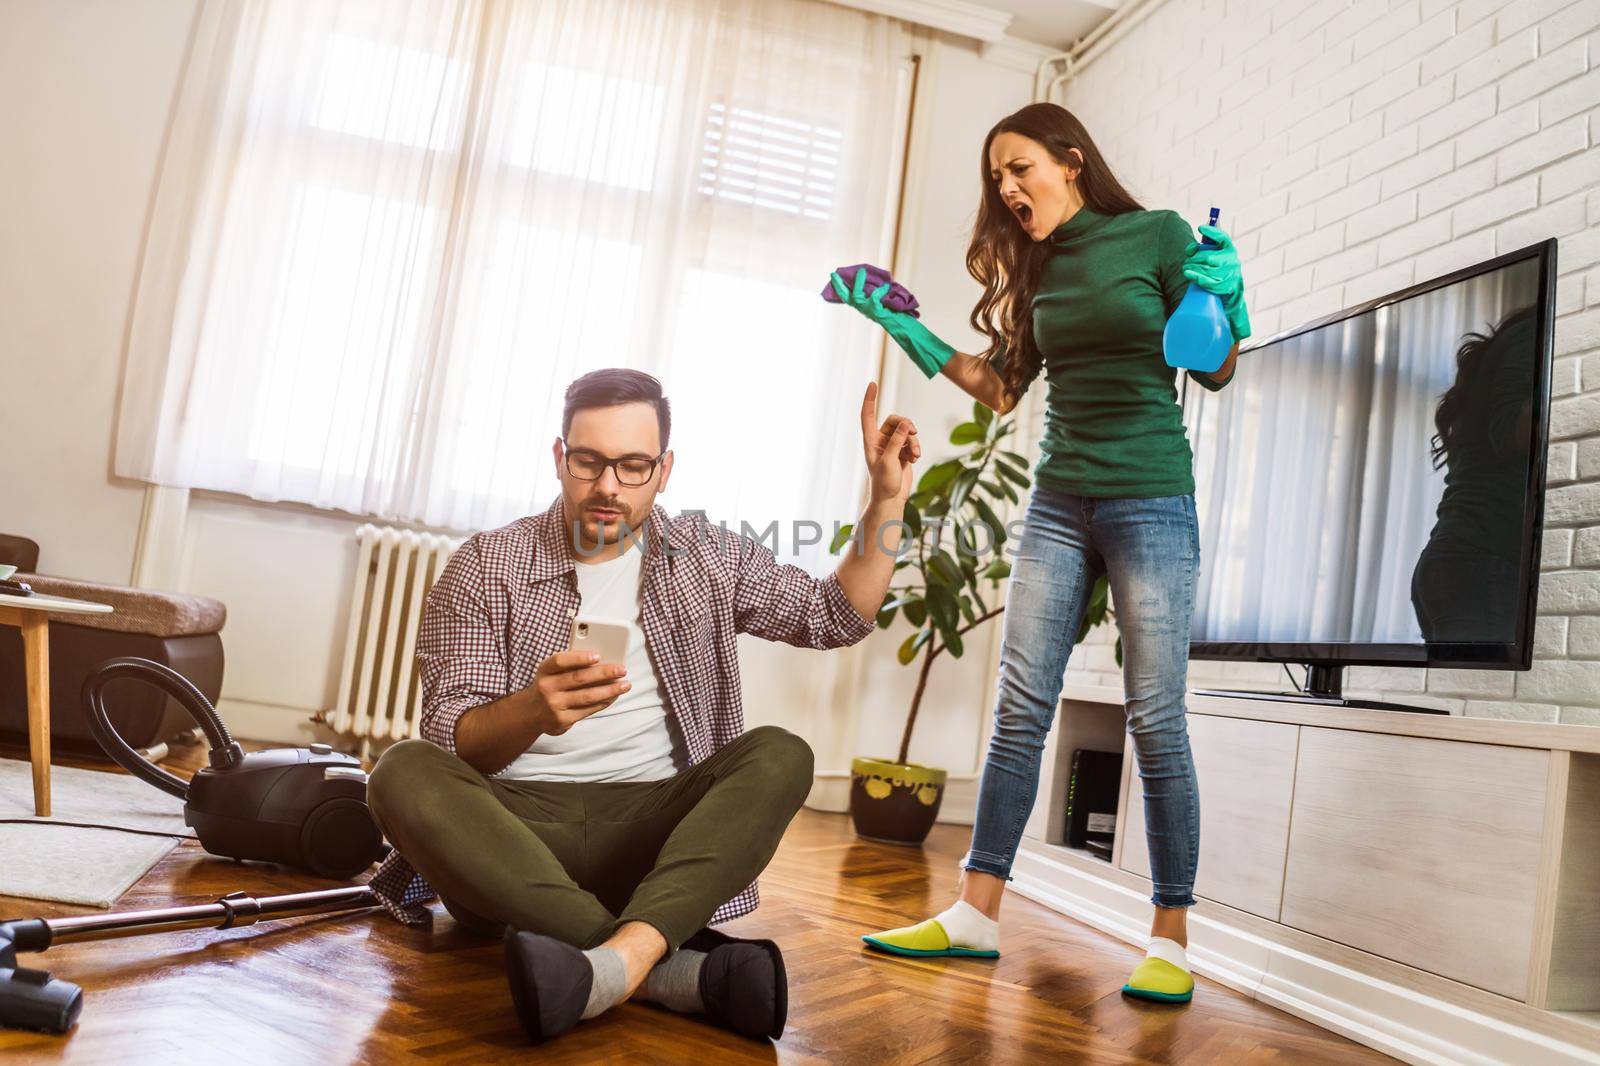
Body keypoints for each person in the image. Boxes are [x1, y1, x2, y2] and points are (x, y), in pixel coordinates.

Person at [830, 102, 1251, 1005]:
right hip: (1060, 498)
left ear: (1070, 161)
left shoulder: (1158, 236)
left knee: (1155, 715)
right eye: (995, 179)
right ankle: (976, 915)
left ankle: (1171, 938)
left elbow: (1213, 366)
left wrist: (1225, 293)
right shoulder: (1036, 263)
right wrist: (907, 325)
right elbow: (1000, 389)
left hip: (1150, 498)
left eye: (1019, 168)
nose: (1008, 188)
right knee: (1021, 705)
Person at [364, 368, 921, 1044]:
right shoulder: (485, 565)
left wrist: (886, 500)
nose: (607, 486)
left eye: (632, 466)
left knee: (782, 754)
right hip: (513, 842)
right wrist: (532, 711)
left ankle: (610, 963)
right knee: (401, 769)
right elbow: (457, 741)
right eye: (589, 461)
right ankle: (664, 968)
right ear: (559, 457)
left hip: (652, 837)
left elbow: (835, 615)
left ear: (664, 470)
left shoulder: (707, 555)